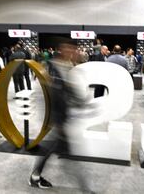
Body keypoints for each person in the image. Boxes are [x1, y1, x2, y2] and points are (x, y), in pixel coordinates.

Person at [29, 38, 89, 191]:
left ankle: (35, 176)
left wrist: (81, 100)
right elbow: (48, 95)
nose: (71, 51)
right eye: (67, 48)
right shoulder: (50, 67)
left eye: (73, 49)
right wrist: (55, 121)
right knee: (67, 155)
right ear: (60, 49)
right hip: (57, 118)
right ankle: (84, 188)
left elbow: (68, 90)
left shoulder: (68, 66)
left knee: (54, 149)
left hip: (63, 117)